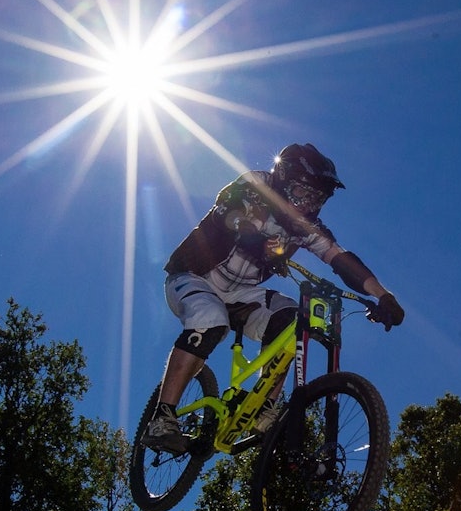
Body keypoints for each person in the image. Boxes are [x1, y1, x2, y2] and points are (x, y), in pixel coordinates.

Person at [141, 142, 405, 454]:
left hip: (242, 293)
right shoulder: (256, 185)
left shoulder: (305, 226)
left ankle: (266, 405)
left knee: (295, 320)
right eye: (303, 193)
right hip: (194, 276)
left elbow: (340, 259)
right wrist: (255, 237)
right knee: (210, 321)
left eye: (317, 198)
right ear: (283, 177)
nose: (307, 204)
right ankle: (162, 417)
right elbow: (229, 211)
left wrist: (383, 296)